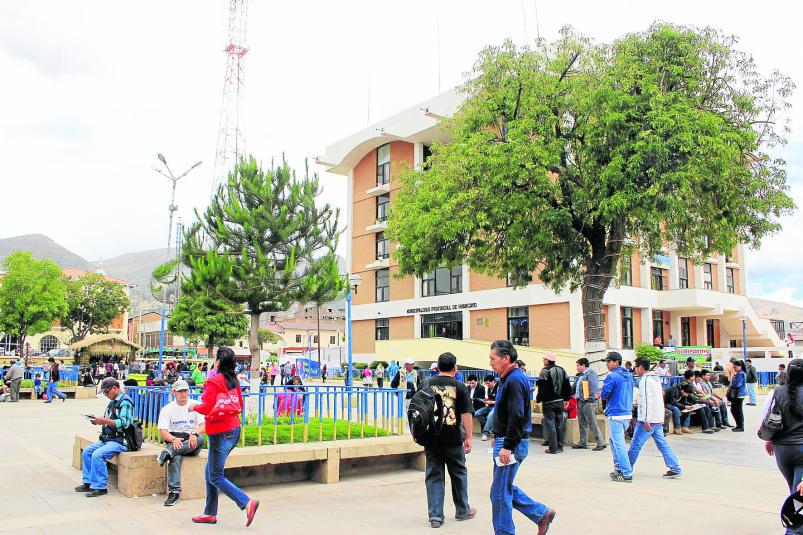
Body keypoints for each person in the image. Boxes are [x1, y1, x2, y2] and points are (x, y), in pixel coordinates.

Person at [488, 340, 556, 534]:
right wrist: (498, 434)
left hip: (513, 444)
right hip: (506, 439)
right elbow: (507, 413)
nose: (490, 363)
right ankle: (541, 514)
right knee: (502, 488)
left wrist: (507, 445)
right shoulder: (508, 378)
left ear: (506, 358)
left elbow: (518, 416)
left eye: (493, 358)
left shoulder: (515, 380)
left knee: (500, 494)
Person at [188, 347, 259, 527]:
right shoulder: (234, 380)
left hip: (220, 432)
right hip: (234, 429)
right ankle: (210, 513)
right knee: (210, 472)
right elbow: (239, 404)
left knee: (215, 476)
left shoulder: (214, 381)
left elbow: (205, 407)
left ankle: (246, 502)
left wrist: (192, 407)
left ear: (218, 361)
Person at [421, 352, 476, 528]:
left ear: (437, 367)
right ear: (455, 368)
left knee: (434, 475)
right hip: (453, 438)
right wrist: (468, 437)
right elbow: (466, 414)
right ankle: (462, 510)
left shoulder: (425, 384)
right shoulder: (460, 386)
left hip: (431, 438)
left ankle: (436, 516)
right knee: (459, 473)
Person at [74, 378, 134, 497]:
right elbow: (109, 419)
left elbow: (124, 423)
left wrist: (104, 421)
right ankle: (88, 482)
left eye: (106, 392)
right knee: (87, 452)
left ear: (114, 388)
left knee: (98, 455)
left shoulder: (125, 401)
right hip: (108, 438)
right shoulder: (113, 401)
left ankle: (100, 486)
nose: (106, 395)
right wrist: (98, 421)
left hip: (121, 440)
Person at [762, 358, 803, 528]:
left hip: (782, 451)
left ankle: (795, 526)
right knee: (799, 495)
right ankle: (795, 531)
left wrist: (770, 440)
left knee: (795, 492)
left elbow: (765, 418)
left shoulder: (776, 392)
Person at [628, 357, 683, 478]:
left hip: (648, 420)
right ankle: (675, 467)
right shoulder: (656, 379)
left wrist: (646, 420)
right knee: (662, 444)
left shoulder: (645, 380)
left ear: (641, 367)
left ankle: (625, 469)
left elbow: (647, 401)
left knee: (635, 444)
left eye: (636, 367)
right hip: (657, 418)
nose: (635, 370)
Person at [157, 380, 206, 506]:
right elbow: (163, 431)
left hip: (191, 440)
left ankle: (167, 452)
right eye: (179, 391)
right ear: (173, 392)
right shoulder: (167, 409)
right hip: (175, 440)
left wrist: (194, 434)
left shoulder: (196, 405)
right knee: (175, 456)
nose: (183, 394)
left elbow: (203, 426)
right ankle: (174, 493)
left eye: (185, 391)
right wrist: (173, 439)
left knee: (200, 439)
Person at [599, 351, 634, 483]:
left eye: (608, 362)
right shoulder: (629, 375)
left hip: (616, 413)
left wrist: (601, 394)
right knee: (614, 441)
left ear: (616, 362)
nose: (607, 364)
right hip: (626, 413)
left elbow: (604, 394)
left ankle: (626, 473)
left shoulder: (612, 376)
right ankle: (619, 468)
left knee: (619, 444)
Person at [535, 353, 570, 454]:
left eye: (544, 359)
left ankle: (553, 448)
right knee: (559, 424)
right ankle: (560, 446)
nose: (543, 361)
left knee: (550, 424)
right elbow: (567, 385)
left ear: (547, 360)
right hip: (560, 402)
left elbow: (542, 388)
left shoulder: (544, 371)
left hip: (549, 402)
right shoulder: (562, 370)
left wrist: (538, 401)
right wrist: (566, 399)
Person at [572, 358, 606, 451]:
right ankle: (583, 442)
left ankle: (601, 442)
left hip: (588, 402)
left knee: (592, 423)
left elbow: (593, 387)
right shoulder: (580, 376)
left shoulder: (590, 373)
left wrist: (591, 399)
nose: (577, 368)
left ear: (583, 366)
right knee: (582, 423)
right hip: (581, 401)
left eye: (578, 365)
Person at [475, 375, 498, 441]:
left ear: (493, 381)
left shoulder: (499, 387)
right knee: (477, 413)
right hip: (490, 406)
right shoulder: (489, 388)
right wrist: (486, 400)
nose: (487, 385)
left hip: (496, 406)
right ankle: (490, 427)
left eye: (488, 383)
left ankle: (485, 433)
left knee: (490, 415)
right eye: (486, 383)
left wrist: (491, 402)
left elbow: (502, 401)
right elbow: (491, 398)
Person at [729, 360, 747, 432]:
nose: (734, 368)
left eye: (735, 367)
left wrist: (731, 386)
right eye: (733, 367)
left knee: (737, 410)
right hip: (740, 394)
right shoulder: (741, 373)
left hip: (738, 394)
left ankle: (740, 426)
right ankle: (739, 426)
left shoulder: (740, 374)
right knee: (736, 410)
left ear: (740, 366)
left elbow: (738, 384)